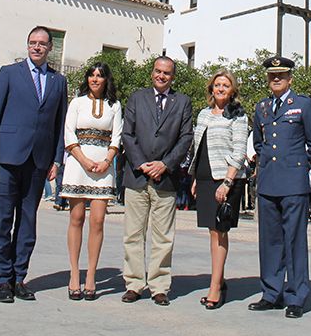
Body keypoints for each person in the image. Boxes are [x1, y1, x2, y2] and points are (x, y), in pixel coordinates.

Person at [0, 25, 68, 303]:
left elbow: (59, 123)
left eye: (42, 43)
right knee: (2, 221)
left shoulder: (59, 81)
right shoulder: (9, 73)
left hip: (39, 161)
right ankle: (1, 280)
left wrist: (57, 159)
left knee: (28, 222)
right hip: (6, 159)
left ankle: (19, 278)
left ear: (50, 48)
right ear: (27, 45)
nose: (37, 47)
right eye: (33, 42)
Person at [249, 56, 311, 319]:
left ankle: (296, 296)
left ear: (290, 78)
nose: (276, 79)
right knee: (270, 241)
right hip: (268, 182)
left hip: (293, 182)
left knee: (294, 240)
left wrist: (299, 166)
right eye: (272, 76)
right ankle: (271, 293)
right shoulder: (262, 108)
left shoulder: (302, 105)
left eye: (280, 75)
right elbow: (259, 143)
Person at [121, 56, 193, 306]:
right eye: (158, 71)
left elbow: (186, 138)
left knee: (163, 236)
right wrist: (141, 163)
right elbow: (127, 134)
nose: (161, 76)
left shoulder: (182, 102)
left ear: (173, 76)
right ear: (152, 73)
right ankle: (134, 283)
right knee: (133, 234)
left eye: (167, 73)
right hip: (137, 176)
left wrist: (165, 164)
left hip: (166, 178)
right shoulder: (136, 98)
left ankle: (159, 285)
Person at [60, 63, 122, 300]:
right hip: (79, 163)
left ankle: (91, 276)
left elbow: (117, 135)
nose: (95, 79)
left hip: (104, 167)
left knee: (97, 221)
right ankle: (74, 274)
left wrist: (107, 161)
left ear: (106, 79)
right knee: (76, 218)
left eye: (100, 76)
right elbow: (68, 133)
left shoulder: (114, 105)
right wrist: (83, 160)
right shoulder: (76, 103)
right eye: (92, 75)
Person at [189, 69, 248, 309]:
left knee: (219, 231)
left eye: (225, 85)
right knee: (211, 232)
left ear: (232, 89)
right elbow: (199, 146)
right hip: (204, 177)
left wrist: (227, 181)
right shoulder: (203, 114)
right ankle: (219, 279)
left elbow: (240, 150)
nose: (220, 88)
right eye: (217, 85)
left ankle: (215, 287)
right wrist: (195, 177)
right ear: (211, 89)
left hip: (225, 179)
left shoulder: (238, 115)